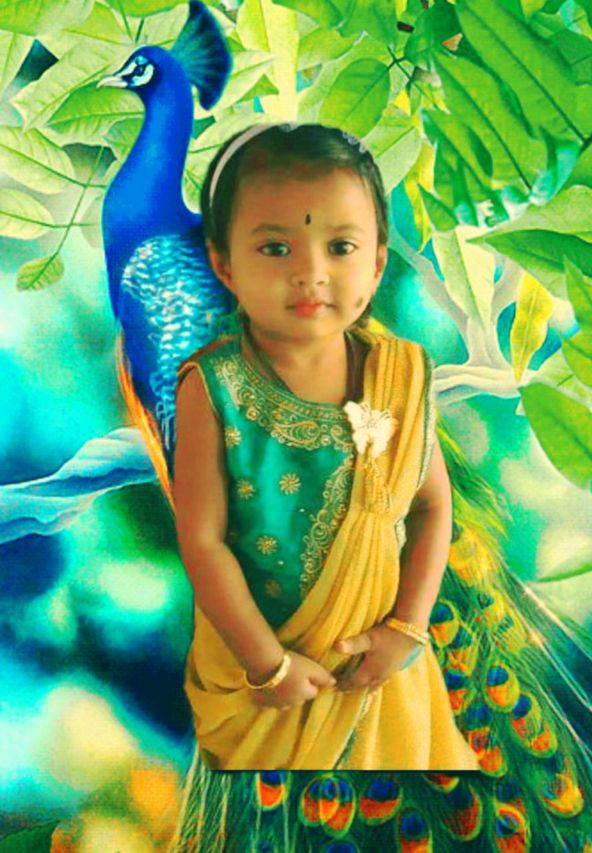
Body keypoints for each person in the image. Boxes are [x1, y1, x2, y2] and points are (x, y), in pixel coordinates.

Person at [172, 122, 478, 771]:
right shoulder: (212, 387)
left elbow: (431, 506)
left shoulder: (401, 375)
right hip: (263, 689)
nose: (310, 273)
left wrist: (405, 629)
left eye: (340, 247)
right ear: (224, 264)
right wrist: (267, 663)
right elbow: (202, 540)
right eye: (275, 248)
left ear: (377, 263)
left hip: (379, 676)